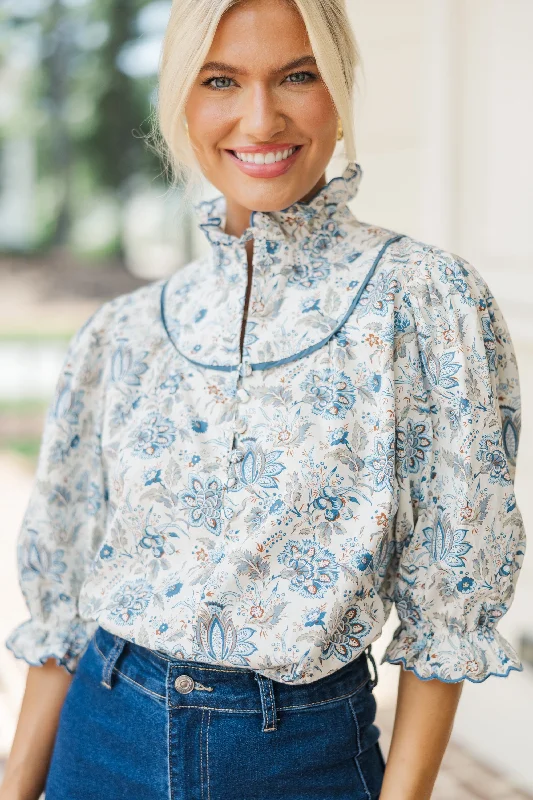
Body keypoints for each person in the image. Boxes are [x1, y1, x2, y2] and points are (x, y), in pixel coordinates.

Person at [0, 1, 526, 798]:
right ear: (183, 102)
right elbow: (63, 604)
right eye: (221, 80)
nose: (259, 115)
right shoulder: (123, 334)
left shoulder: (424, 302)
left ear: (338, 92)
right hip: (100, 737)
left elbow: (448, 595)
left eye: (296, 75)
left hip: (299, 759)